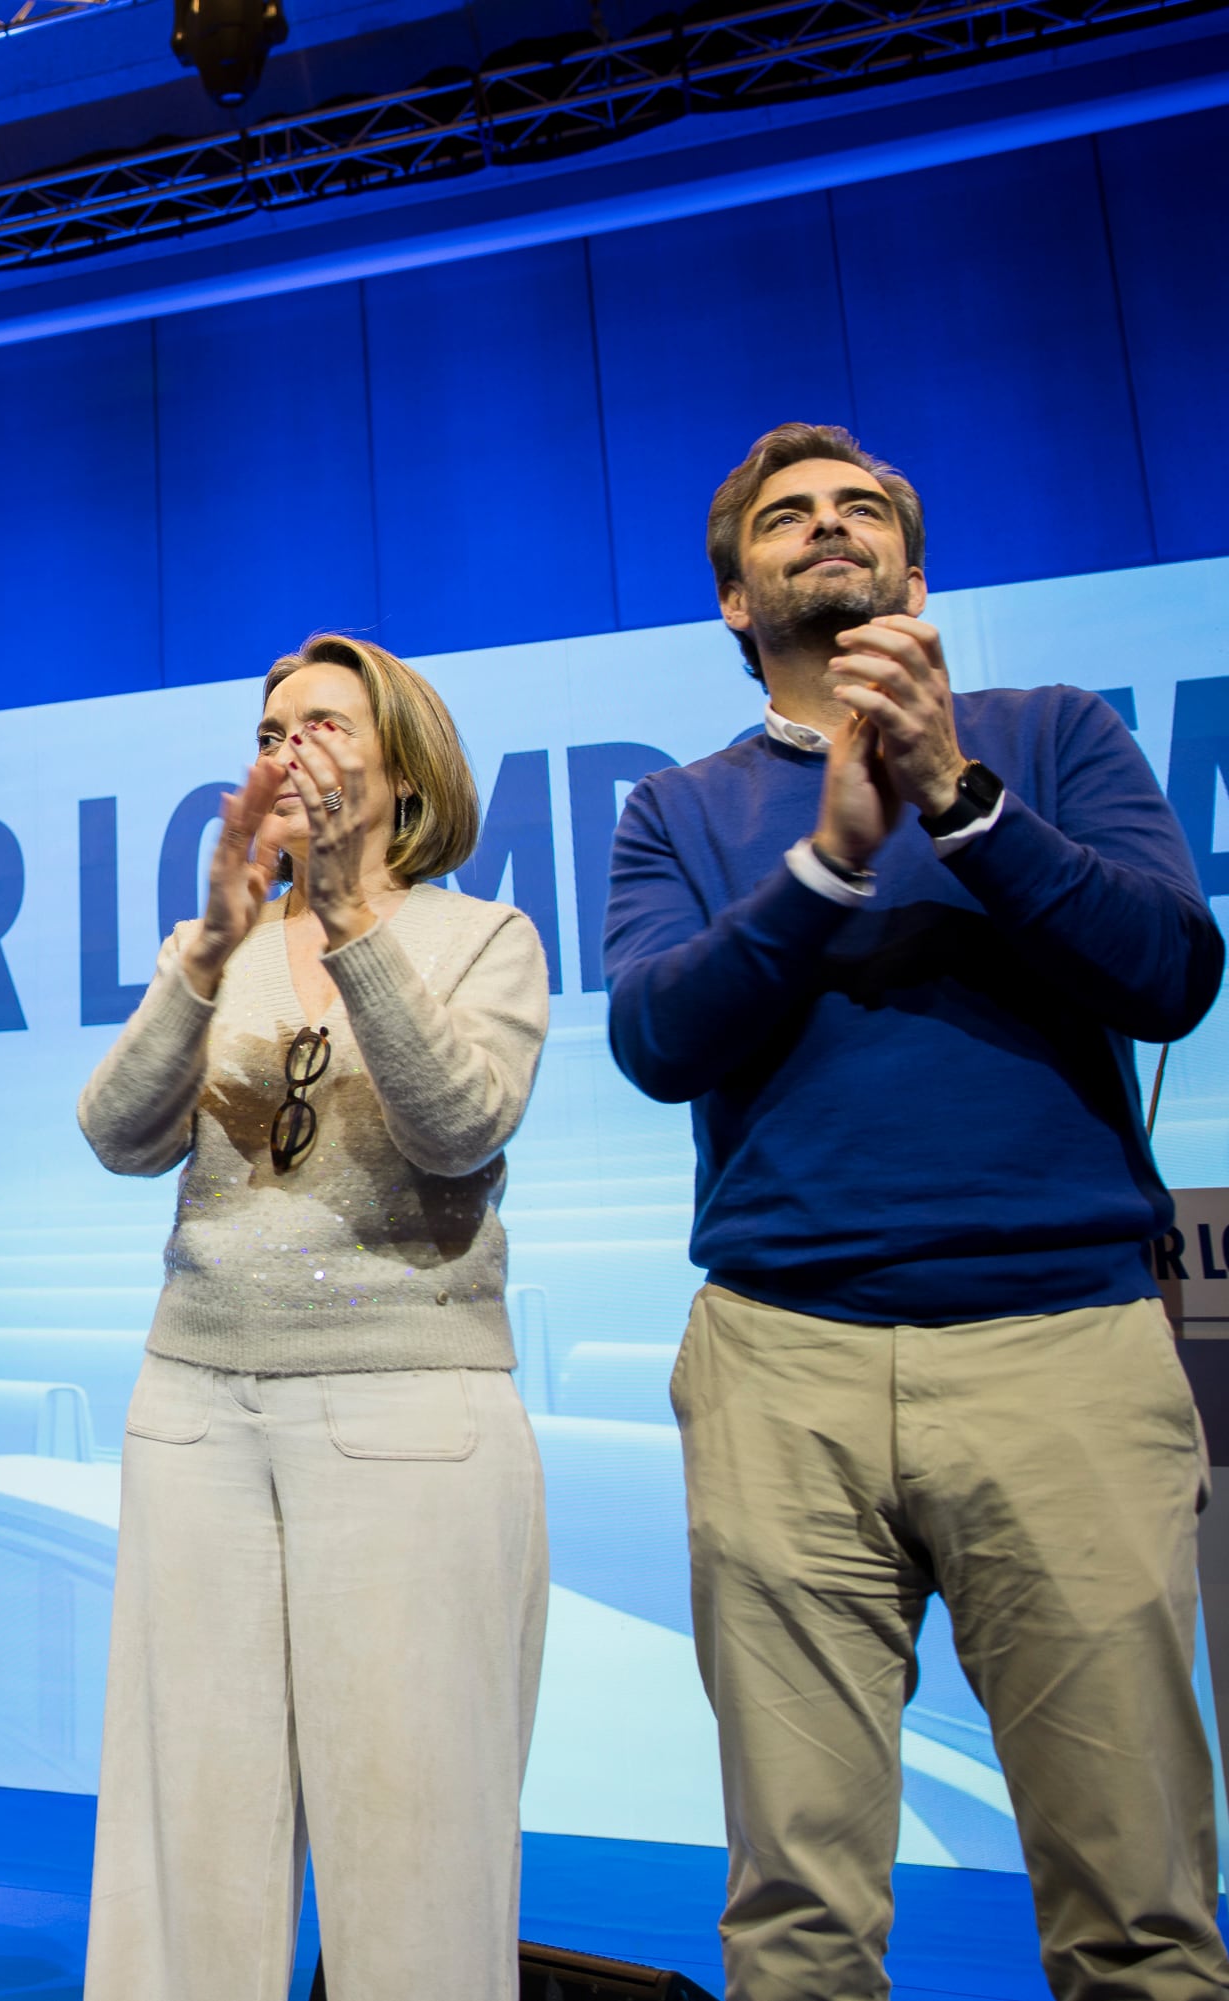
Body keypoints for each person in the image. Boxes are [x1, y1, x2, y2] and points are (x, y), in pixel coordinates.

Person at [601, 423, 1226, 2001]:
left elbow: (1168, 973)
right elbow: (659, 1041)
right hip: (782, 1366)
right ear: (735, 603)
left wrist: (952, 795)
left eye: (860, 509)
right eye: (787, 517)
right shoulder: (676, 811)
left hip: (1063, 1347)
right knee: (798, 1923)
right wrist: (823, 868)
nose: (827, 526)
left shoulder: (1057, 734)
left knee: (1140, 1905)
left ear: (914, 574)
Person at [75, 637, 552, 1997]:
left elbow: (459, 1131)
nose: (290, 749)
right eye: (273, 727)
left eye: (326, 725)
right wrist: (216, 945)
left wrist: (349, 918)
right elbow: (117, 1135)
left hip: (407, 1410)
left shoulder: (481, 937)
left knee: (412, 1834)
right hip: (197, 1409)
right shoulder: (217, 947)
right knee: (187, 1833)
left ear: (403, 764)